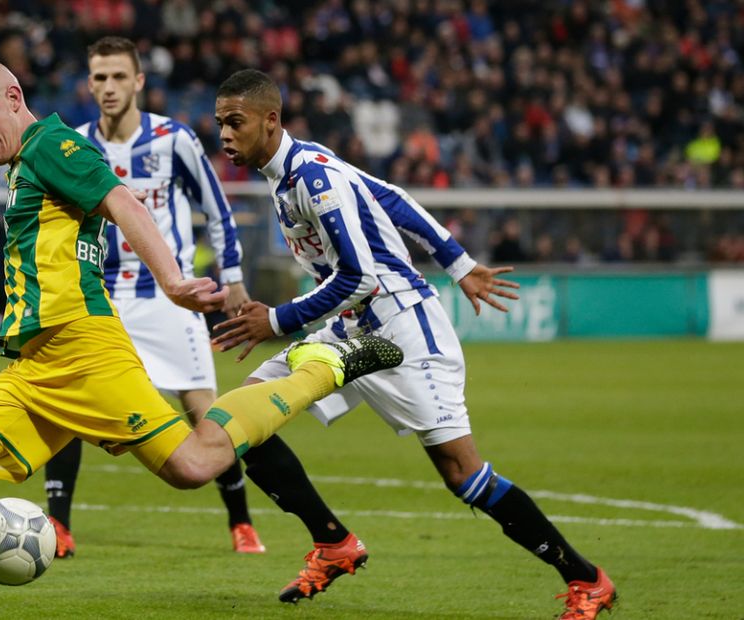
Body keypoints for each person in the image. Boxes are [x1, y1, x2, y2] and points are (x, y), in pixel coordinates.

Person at [0, 54, 403, 620]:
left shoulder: (52, 146)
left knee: (192, 466)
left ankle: (321, 366)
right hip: (35, 368)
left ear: (14, 97)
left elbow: (122, 201)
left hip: (85, 352)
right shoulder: (24, 163)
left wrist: (172, 281)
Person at [210, 69, 615, 619]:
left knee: (462, 475)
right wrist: (460, 263)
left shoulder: (312, 178)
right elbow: (393, 197)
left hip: (402, 329)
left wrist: (278, 320)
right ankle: (333, 543)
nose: (226, 135)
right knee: (243, 422)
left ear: (270, 120)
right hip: (350, 328)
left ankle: (587, 579)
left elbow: (361, 278)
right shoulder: (295, 170)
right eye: (221, 124)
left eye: (235, 123)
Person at [41, 36, 260, 557]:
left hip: (169, 297)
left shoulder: (173, 139)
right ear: (88, 83)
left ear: (139, 81)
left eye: (119, 77)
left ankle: (242, 523)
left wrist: (233, 279)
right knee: (70, 408)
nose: (109, 87)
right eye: (100, 77)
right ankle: (59, 526)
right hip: (102, 298)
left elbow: (216, 208)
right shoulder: (73, 144)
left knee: (202, 410)